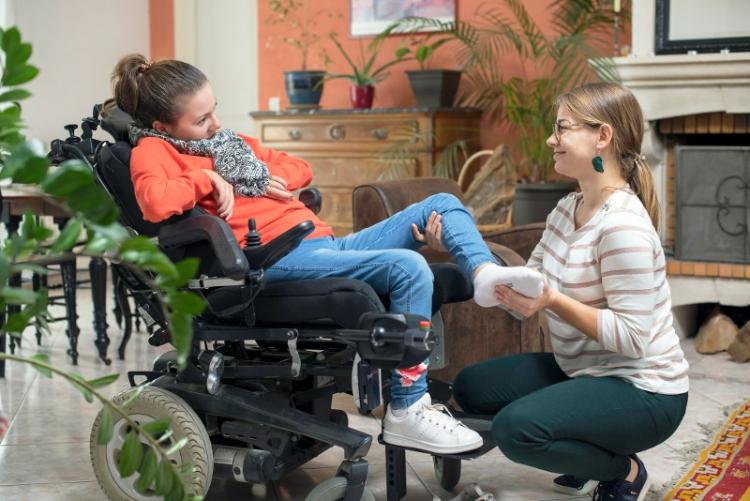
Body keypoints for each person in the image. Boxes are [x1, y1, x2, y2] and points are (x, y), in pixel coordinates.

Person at [111, 54, 546, 455]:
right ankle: (407, 410)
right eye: (201, 119)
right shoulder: (155, 151)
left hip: (322, 244)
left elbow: (299, 168)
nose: (216, 123)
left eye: (215, 109)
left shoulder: (229, 143)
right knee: (409, 266)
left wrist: (265, 176)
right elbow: (153, 201)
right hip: (274, 261)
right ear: (164, 126)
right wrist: (209, 181)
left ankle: (485, 273)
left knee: (440, 204)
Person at [452, 82, 689, 501]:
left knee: (515, 430)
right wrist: (465, 246)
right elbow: (532, 283)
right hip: (582, 369)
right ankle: (585, 443)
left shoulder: (622, 229)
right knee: (470, 387)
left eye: (561, 128)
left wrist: (553, 301)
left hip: (644, 390)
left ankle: (623, 469)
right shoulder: (567, 209)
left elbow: (633, 340)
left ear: (602, 136)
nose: (550, 139)